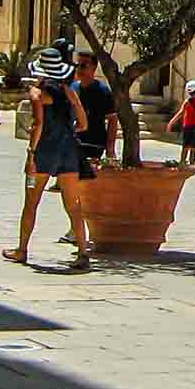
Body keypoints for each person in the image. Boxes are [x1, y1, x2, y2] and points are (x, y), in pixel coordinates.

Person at [3, 47, 90, 270]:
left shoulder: (36, 94)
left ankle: (22, 250)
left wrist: (31, 153)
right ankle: (82, 252)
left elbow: (38, 124)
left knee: (31, 202)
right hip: (68, 151)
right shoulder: (70, 91)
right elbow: (83, 123)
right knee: (73, 204)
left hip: (43, 151)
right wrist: (70, 130)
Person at [58, 50, 116, 248]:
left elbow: (112, 120)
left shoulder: (103, 91)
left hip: (93, 144)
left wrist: (110, 148)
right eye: (77, 65)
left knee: (83, 187)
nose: (79, 69)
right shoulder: (73, 87)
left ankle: (80, 229)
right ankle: (76, 227)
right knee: (70, 187)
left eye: (83, 65)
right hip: (72, 142)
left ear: (93, 68)